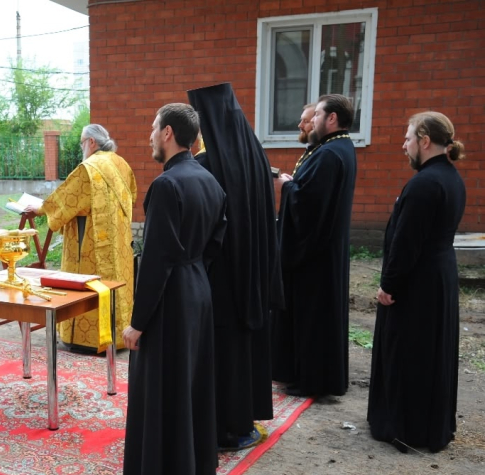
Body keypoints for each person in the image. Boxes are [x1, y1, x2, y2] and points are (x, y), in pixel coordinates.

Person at [122, 103, 226, 475]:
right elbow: (216, 242)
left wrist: (138, 323)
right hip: (198, 289)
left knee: (161, 389)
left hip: (171, 296)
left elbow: (156, 260)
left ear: (168, 133)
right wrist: (193, 272)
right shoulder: (210, 180)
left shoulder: (167, 185)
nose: (150, 135)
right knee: (190, 386)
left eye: (153, 128)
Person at [188, 83, 282, 450]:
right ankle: (243, 419)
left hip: (222, 275)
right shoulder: (255, 154)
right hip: (253, 269)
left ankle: (223, 428)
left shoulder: (207, 164)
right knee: (243, 349)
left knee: (222, 352)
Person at [367, 112, 466, 453]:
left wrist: (389, 285)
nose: (404, 145)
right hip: (438, 276)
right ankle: (427, 424)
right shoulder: (450, 177)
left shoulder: (425, 184)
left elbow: (406, 242)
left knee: (410, 351)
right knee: (430, 351)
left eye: (408, 138)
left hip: (417, 283)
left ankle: (405, 426)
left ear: (425, 141)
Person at [272, 94, 357, 397]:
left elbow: (310, 204)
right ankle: (307, 375)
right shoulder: (335, 148)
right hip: (325, 250)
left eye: (317, 115)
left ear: (332, 118)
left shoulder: (329, 153)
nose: (312, 121)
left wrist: (286, 186)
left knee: (312, 319)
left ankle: (311, 380)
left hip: (315, 255)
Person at [24, 124, 136, 351]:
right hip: (119, 243)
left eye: (82, 142)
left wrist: (41, 209)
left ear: (91, 142)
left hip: (91, 245)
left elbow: (66, 200)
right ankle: (118, 336)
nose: (81, 147)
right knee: (116, 285)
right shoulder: (121, 163)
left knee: (88, 285)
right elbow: (132, 195)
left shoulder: (89, 168)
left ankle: (87, 341)